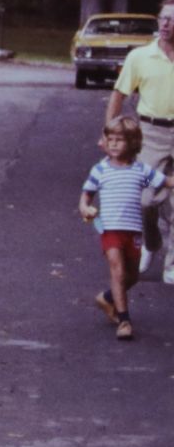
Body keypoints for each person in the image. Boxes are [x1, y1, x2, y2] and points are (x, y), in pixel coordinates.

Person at [81, 117, 167, 341]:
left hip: (133, 231)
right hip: (110, 229)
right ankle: (124, 320)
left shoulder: (140, 170)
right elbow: (87, 194)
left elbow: (165, 181)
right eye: (110, 139)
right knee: (117, 272)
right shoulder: (100, 169)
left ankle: (106, 297)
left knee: (132, 276)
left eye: (120, 140)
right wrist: (85, 207)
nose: (114, 144)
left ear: (133, 143)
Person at [107, 0, 174, 284]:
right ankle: (152, 241)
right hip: (151, 133)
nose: (167, 24)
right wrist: (109, 134)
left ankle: (172, 264)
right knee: (147, 199)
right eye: (164, 18)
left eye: (172, 19)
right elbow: (119, 95)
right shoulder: (140, 57)